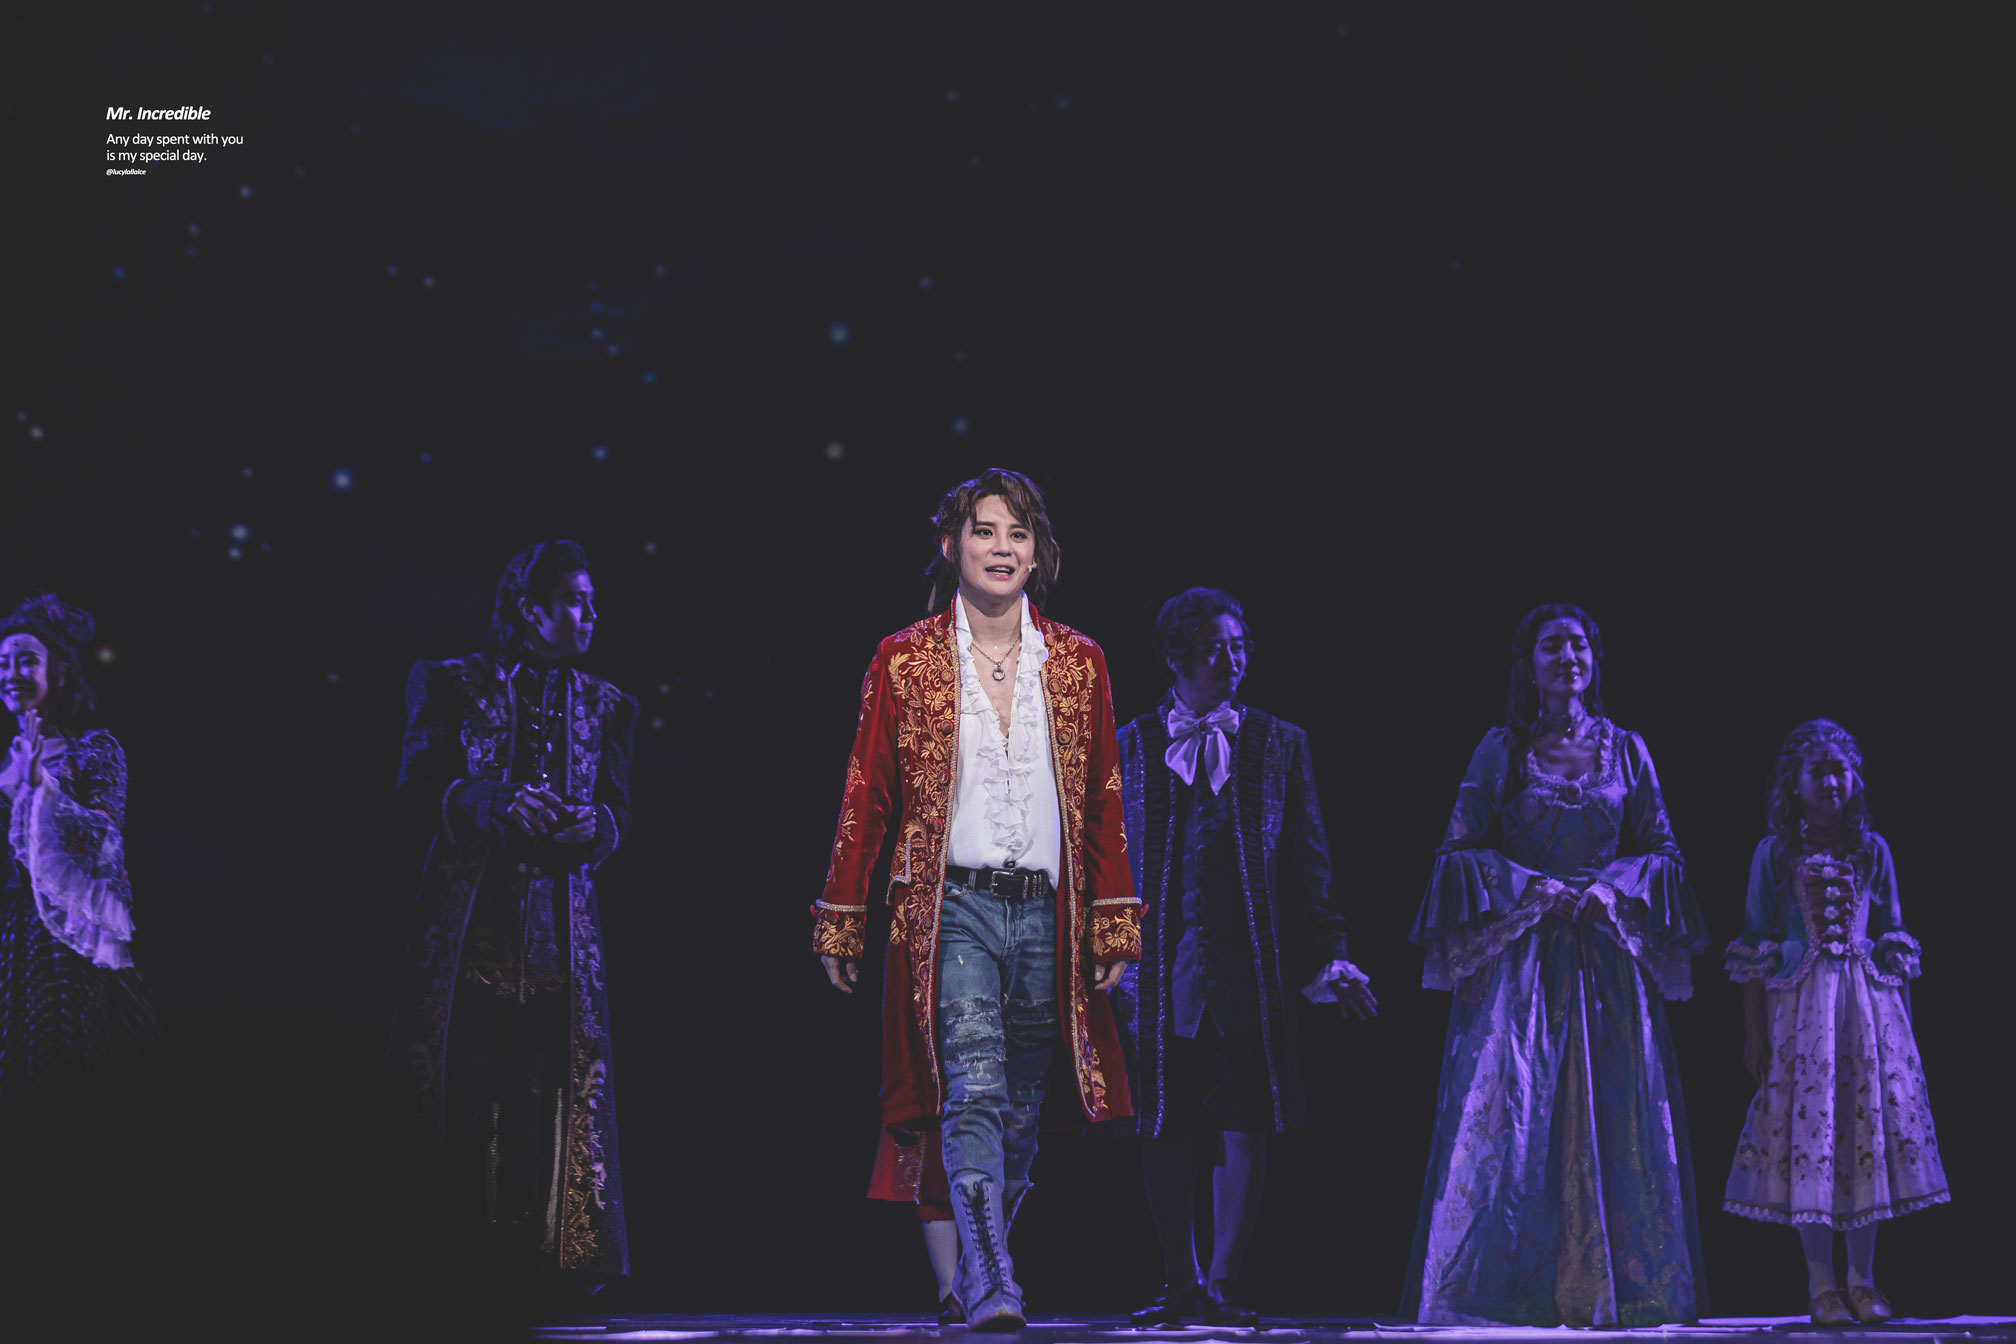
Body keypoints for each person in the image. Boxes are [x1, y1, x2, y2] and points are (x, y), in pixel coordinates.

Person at [815, 468, 1141, 1331]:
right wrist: (843, 915)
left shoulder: (1077, 661)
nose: (1002, 548)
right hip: (950, 908)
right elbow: (865, 792)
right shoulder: (905, 658)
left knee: (1023, 1112)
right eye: (986, 531)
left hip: (1045, 913)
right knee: (974, 1090)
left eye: (1018, 534)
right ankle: (995, 1280)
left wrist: (1113, 920)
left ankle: (979, 1266)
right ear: (951, 544)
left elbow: (1104, 798)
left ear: (1038, 553)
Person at [1403, 603, 1709, 1326]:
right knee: (1515, 1117)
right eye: (1552, 647)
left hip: (1605, 962)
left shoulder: (1627, 750)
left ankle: (1618, 1290)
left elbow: (1665, 852)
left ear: (1594, 661)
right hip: (1525, 967)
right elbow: (1456, 854)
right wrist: (1532, 888)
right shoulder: (1503, 749)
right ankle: (1500, 1292)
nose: (1568, 657)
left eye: (1579, 646)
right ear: (1530, 664)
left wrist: (1612, 888)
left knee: (1617, 1118)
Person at [1113, 588, 1375, 1328]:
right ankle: (1180, 1281)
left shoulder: (1279, 743)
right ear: (1176, 658)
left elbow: (1308, 864)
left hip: (1247, 966)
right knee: (1163, 1119)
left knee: (1244, 1114)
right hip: (1158, 969)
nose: (1230, 661)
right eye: (1214, 649)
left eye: (1238, 647)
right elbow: (1105, 860)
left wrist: (1331, 955)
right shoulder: (1132, 743)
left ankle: (1223, 1280)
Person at [388, 540, 637, 1286]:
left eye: (591, 601)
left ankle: (537, 1267)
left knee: (543, 1097)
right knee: (463, 1098)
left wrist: (597, 825)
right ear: (530, 609)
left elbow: (619, 809)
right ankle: (454, 1261)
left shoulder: (608, 704)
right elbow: (412, 793)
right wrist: (490, 801)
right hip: (470, 935)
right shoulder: (450, 683)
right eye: (573, 600)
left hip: (560, 941)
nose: (589, 615)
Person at [1723, 720, 1948, 1326]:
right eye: (1818, 771)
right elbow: (1753, 945)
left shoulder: (1872, 851)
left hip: (1866, 1012)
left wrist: (1904, 1038)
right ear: (1793, 783)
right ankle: (1820, 1281)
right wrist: (1753, 1033)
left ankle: (1863, 1278)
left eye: (1840, 770)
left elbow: (1893, 938)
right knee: (1812, 1136)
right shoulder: (1774, 855)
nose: (1831, 782)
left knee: (1862, 1131)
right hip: (1801, 1013)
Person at [0, 593, 158, 1099]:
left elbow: (105, 839)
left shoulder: (96, 750)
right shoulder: (8, 761)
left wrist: (40, 788)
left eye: (26, 660)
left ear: (60, 671)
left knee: (72, 1068)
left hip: (69, 939)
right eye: (3, 663)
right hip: (12, 935)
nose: (12, 674)